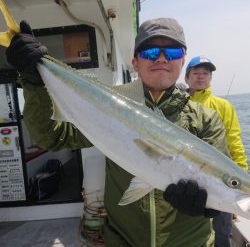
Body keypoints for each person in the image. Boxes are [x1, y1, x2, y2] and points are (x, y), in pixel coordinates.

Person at [6, 18, 230, 247]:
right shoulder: (108, 102)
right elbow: (52, 136)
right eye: (152, 51)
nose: (162, 58)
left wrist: (208, 206)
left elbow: (221, 178)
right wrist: (34, 81)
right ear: (135, 61)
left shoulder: (206, 119)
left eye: (172, 52)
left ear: (182, 61)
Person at [185, 56, 248, 247]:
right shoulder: (180, 104)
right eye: (196, 73)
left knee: (222, 228)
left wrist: (242, 179)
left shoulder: (224, 106)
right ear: (187, 78)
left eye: (206, 73)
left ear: (211, 78)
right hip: (189, 176)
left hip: (220, 180)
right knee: (190, 225)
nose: (201, 77)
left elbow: (234, 142)